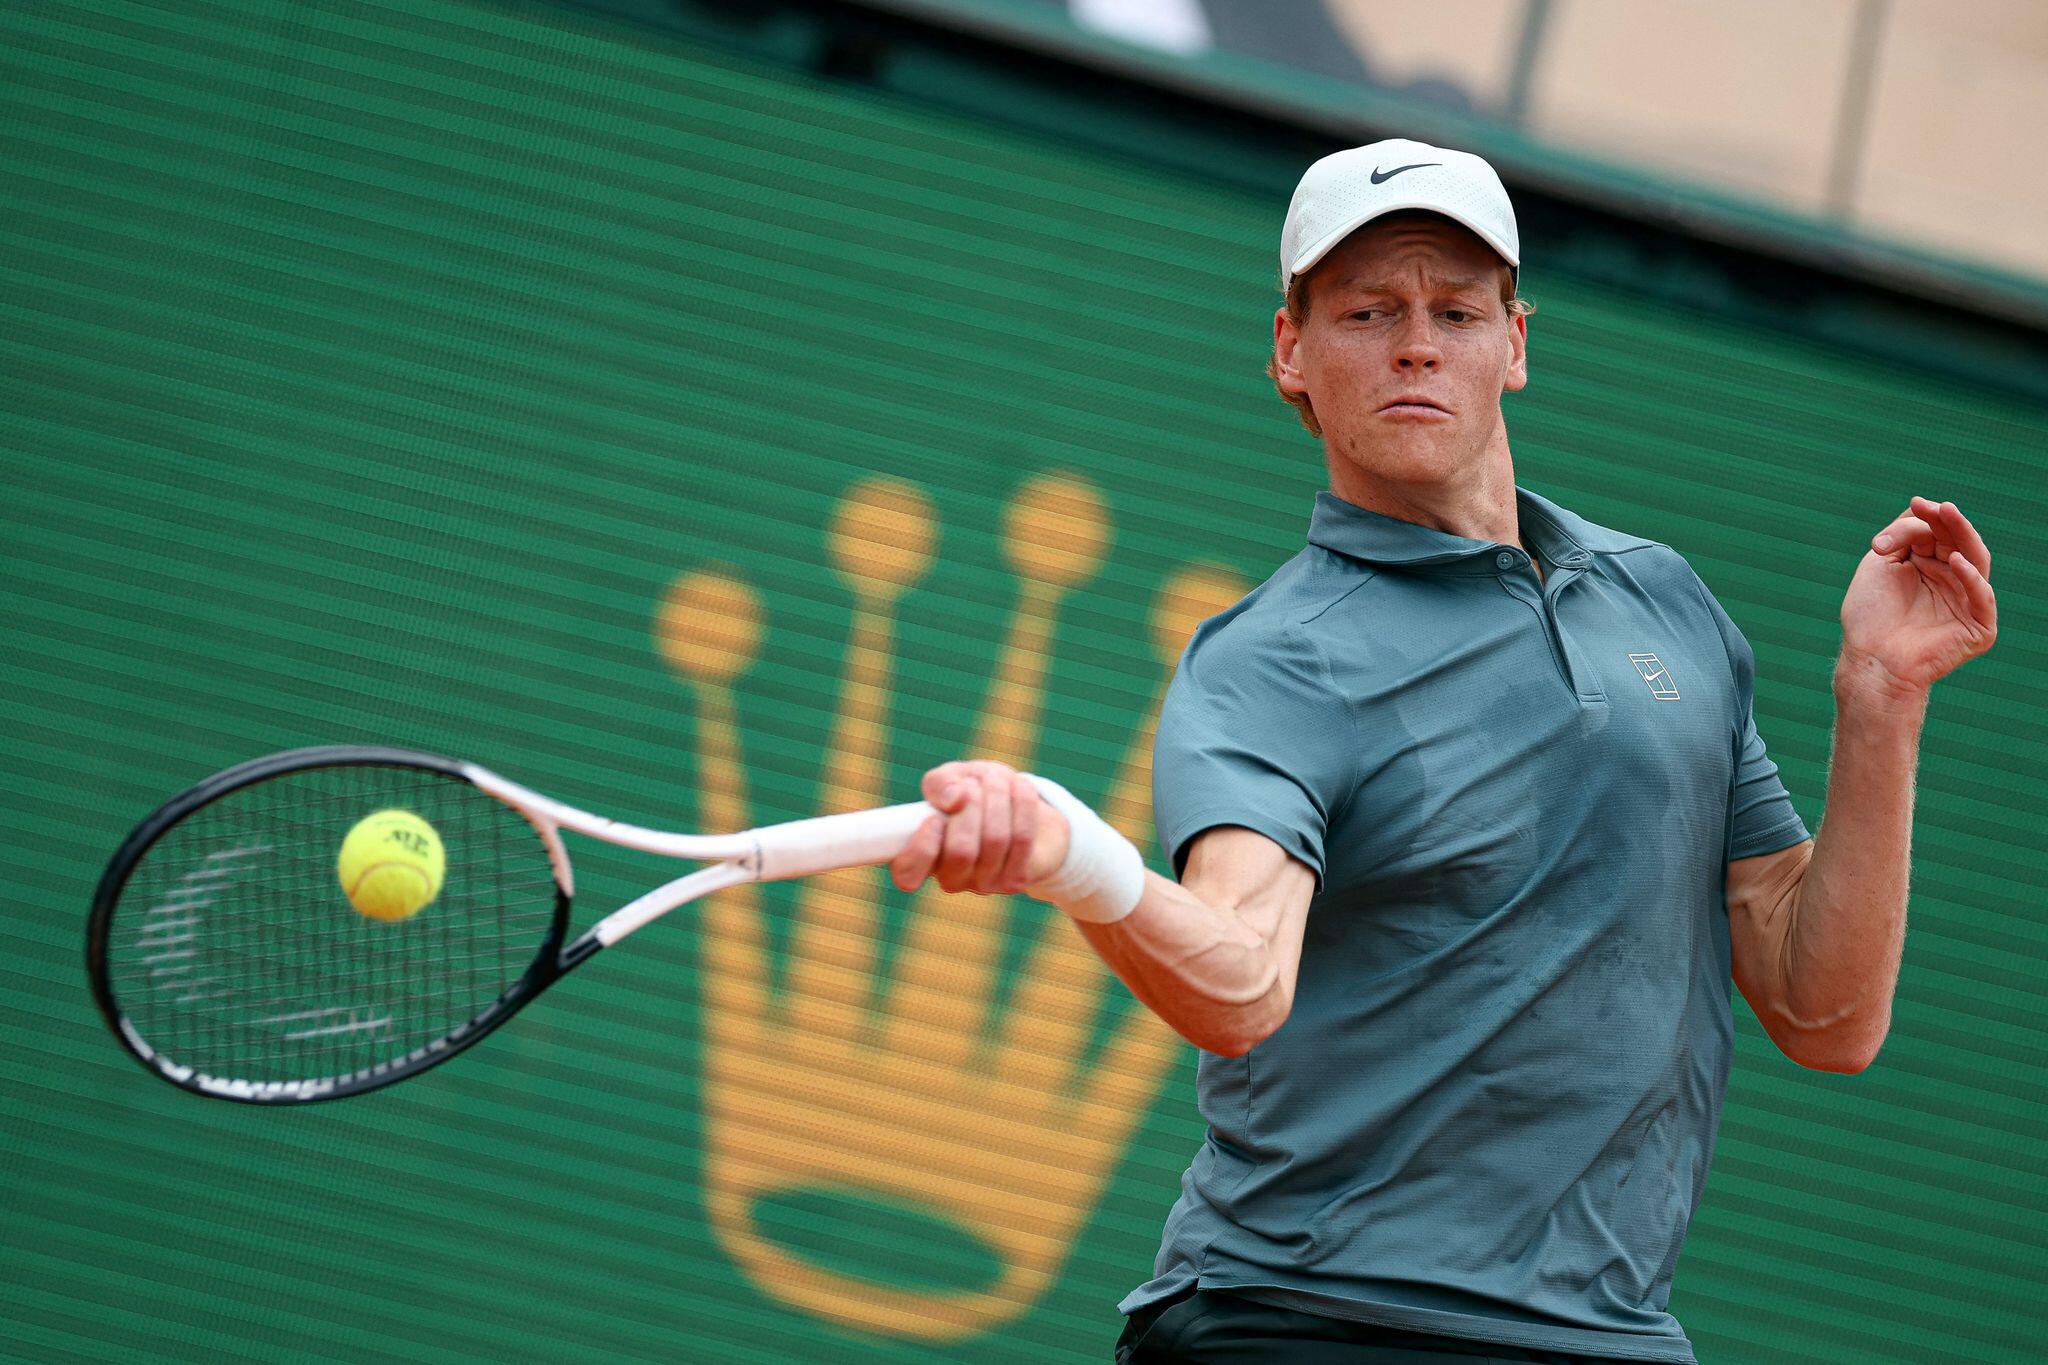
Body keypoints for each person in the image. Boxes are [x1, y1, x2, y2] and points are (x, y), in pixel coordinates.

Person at [886, 137, 1998, 1363]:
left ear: (1513, 345)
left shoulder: (1664, 603)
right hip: (1308, 1322)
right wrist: (1073, 859)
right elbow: (1239, 981)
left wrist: (1879, 695)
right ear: (1289, 353)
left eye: (1454, 312)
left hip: (1605, 1339)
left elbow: (1822, 1013)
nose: (1415, 345)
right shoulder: (1275, 660)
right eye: (1367, 311)